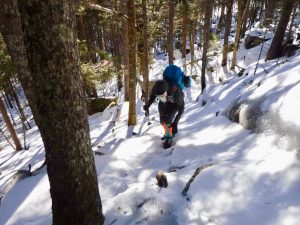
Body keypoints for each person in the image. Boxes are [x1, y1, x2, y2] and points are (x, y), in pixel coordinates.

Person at [143, 79, 184, 149]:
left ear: (166, 90)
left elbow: (181, 109)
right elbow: (153, 96)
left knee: (168, 120)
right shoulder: (156, 88)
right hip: (164, 101)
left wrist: (175, 122)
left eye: (162, 94)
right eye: (159, 95)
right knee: (162, 121)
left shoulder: (175, 91)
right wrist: (148, 105)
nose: (160, 95)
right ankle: (170, 132)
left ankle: (169, 140)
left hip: (175, 103)